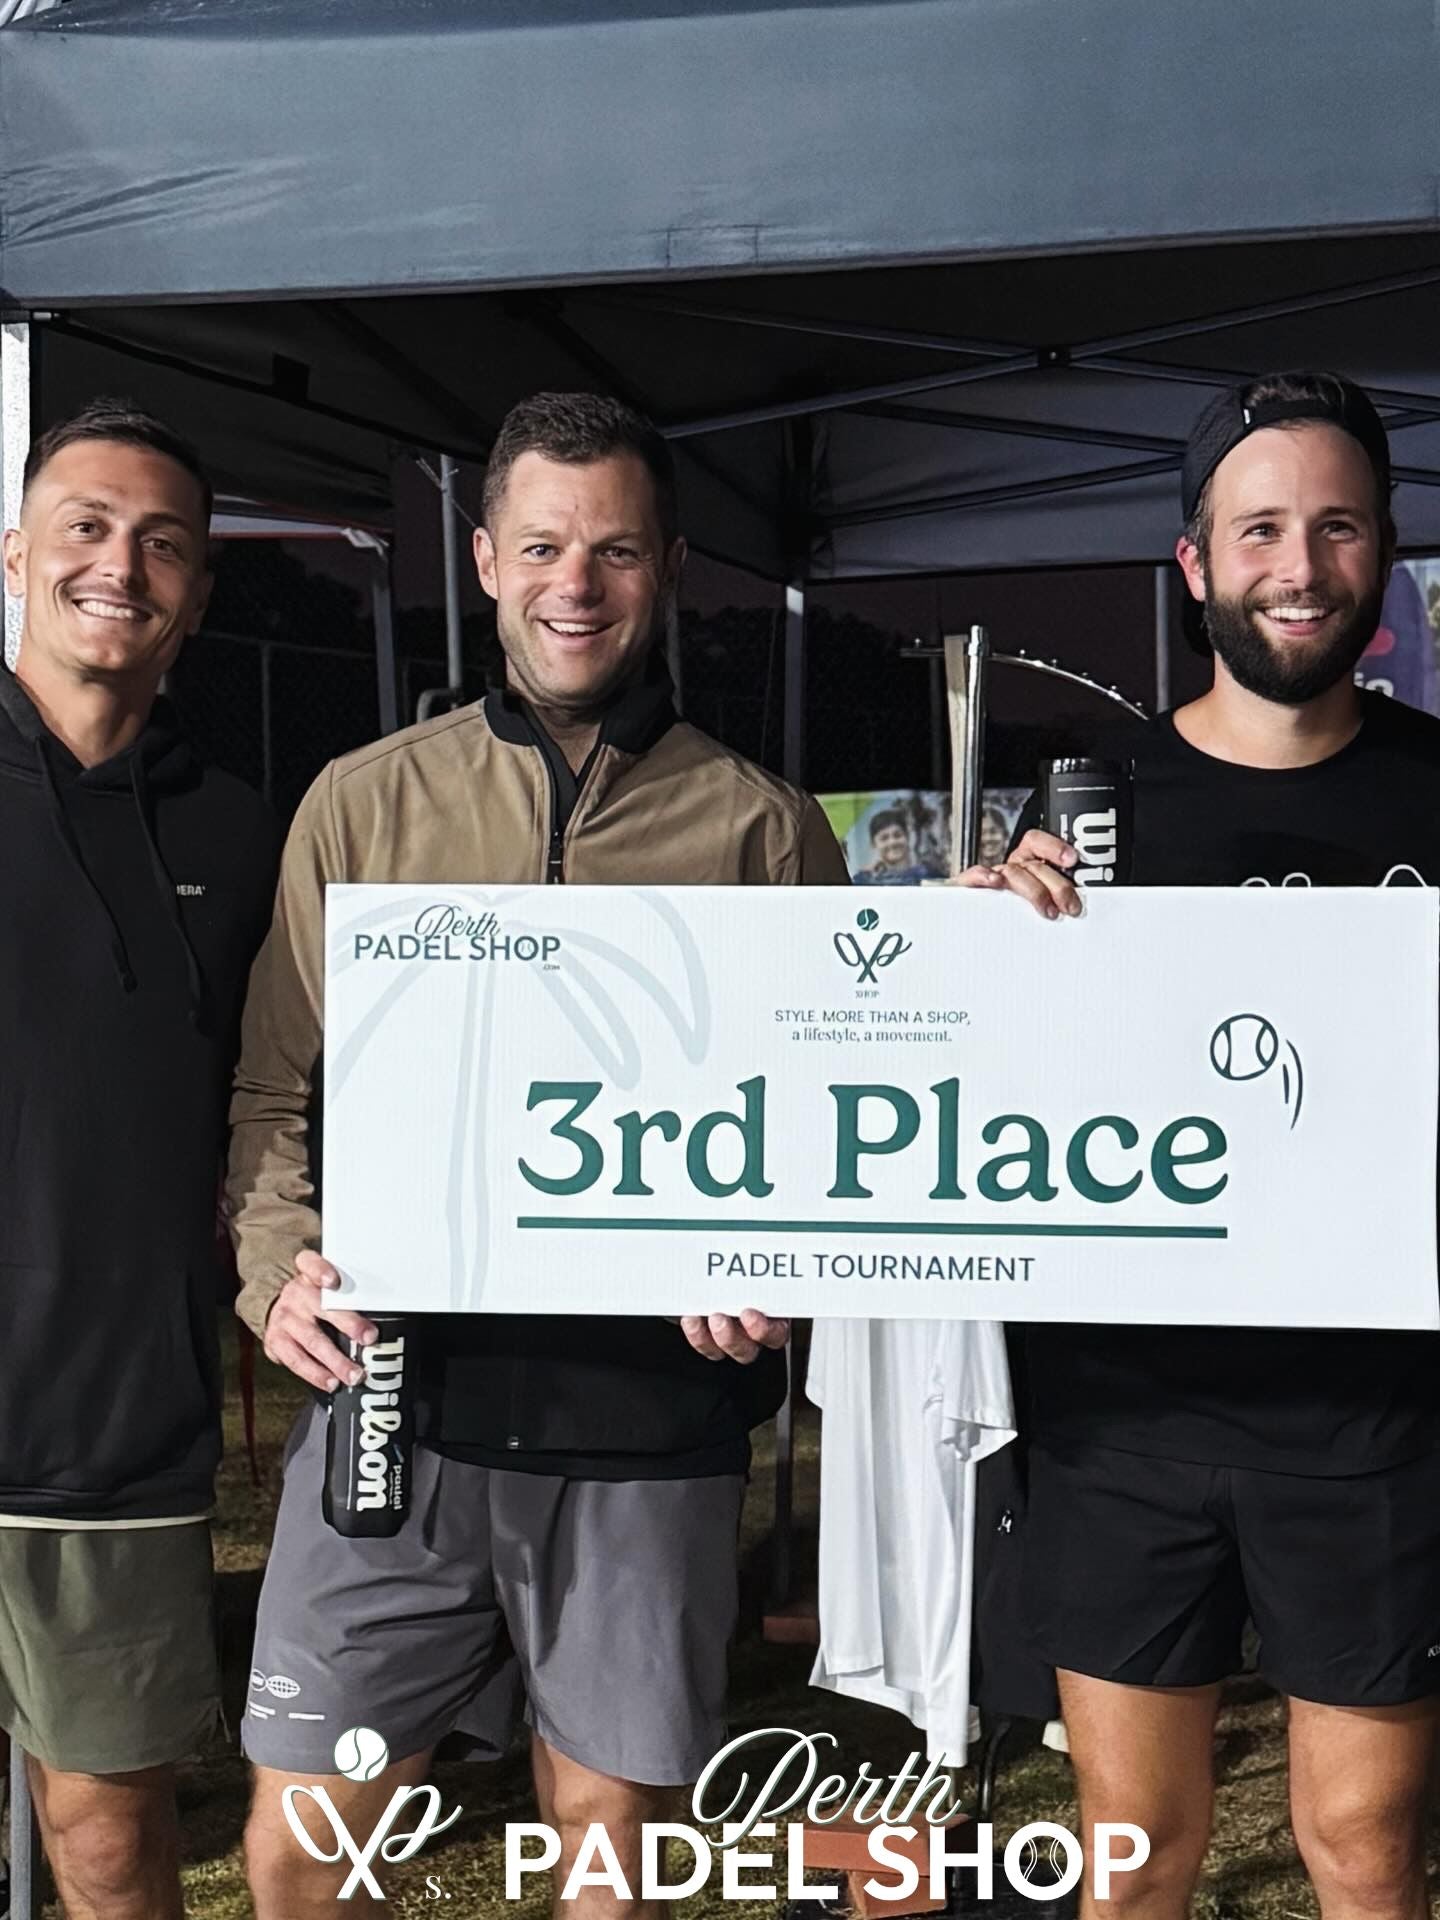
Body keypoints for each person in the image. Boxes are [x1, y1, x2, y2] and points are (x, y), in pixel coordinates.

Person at [229, 391, 850, 1916]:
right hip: (395, 1404)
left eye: (617, 551)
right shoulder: (364, 803)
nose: (579, 583)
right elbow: (272, 1097)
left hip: (647, 1425)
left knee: (607, 1876)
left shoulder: (764, 830)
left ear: (669, 568)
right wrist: (276, 1270)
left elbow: (819, 1132)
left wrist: (772, 1268)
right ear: (488, 560)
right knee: (298, 1860)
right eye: (546, 546)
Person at [959, 369, 1440, 1920]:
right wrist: (967, 966)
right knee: (1135, 1856)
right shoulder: (1090, 813)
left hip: (1374, 1414)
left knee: (1366, 1854)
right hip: (1123, 1418)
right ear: (1195, 563)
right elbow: (1004, 1098)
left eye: (1337, 527)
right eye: (1261, 530)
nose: (1300, 566)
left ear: (1385, 553)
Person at [0, 400, 280, 1919]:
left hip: (112, 1432)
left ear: (199, 592)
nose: (120, 564)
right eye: (88, 527)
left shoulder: (241, 837)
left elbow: (285, 1102)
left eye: (162, 542)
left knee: (110, 1849)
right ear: (15, 556)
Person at [855, 804, 940, 884]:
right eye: (884, 838)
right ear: (873, 844)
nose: (892, 842)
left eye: (897, 835)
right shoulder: (865, 880)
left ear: (907, 836)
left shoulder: (928, 875)